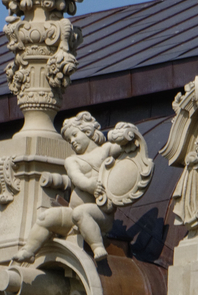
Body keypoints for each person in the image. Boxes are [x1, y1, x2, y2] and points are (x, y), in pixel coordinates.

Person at [16, 112, 136, 262]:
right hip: (73, 214)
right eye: (69, 139)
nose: (72, 141)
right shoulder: (72, 160)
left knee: (81, 212)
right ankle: (28, 250)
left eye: (74, 135)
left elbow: (125, 145)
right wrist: (90, 185)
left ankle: (97, 247)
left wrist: (126, 133)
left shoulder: (105, 150)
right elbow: (76, 177)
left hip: (100, 213)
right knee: (46, 216)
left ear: (88, 131)